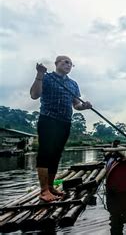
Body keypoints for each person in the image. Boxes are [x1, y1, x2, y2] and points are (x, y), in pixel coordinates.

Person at [30, 55, 92, 202]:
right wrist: (39, 74)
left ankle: (51, 187)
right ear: (56, 63)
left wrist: (84, 106)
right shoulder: (47, 77)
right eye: (65, 62)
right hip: (48, 119)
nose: (69, 65)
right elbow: (34, 95)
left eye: (71, 63)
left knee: (56, 154)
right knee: (46, 153)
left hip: (65, 122)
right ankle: (44, 191)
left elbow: (76, 105)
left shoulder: (73, 84)